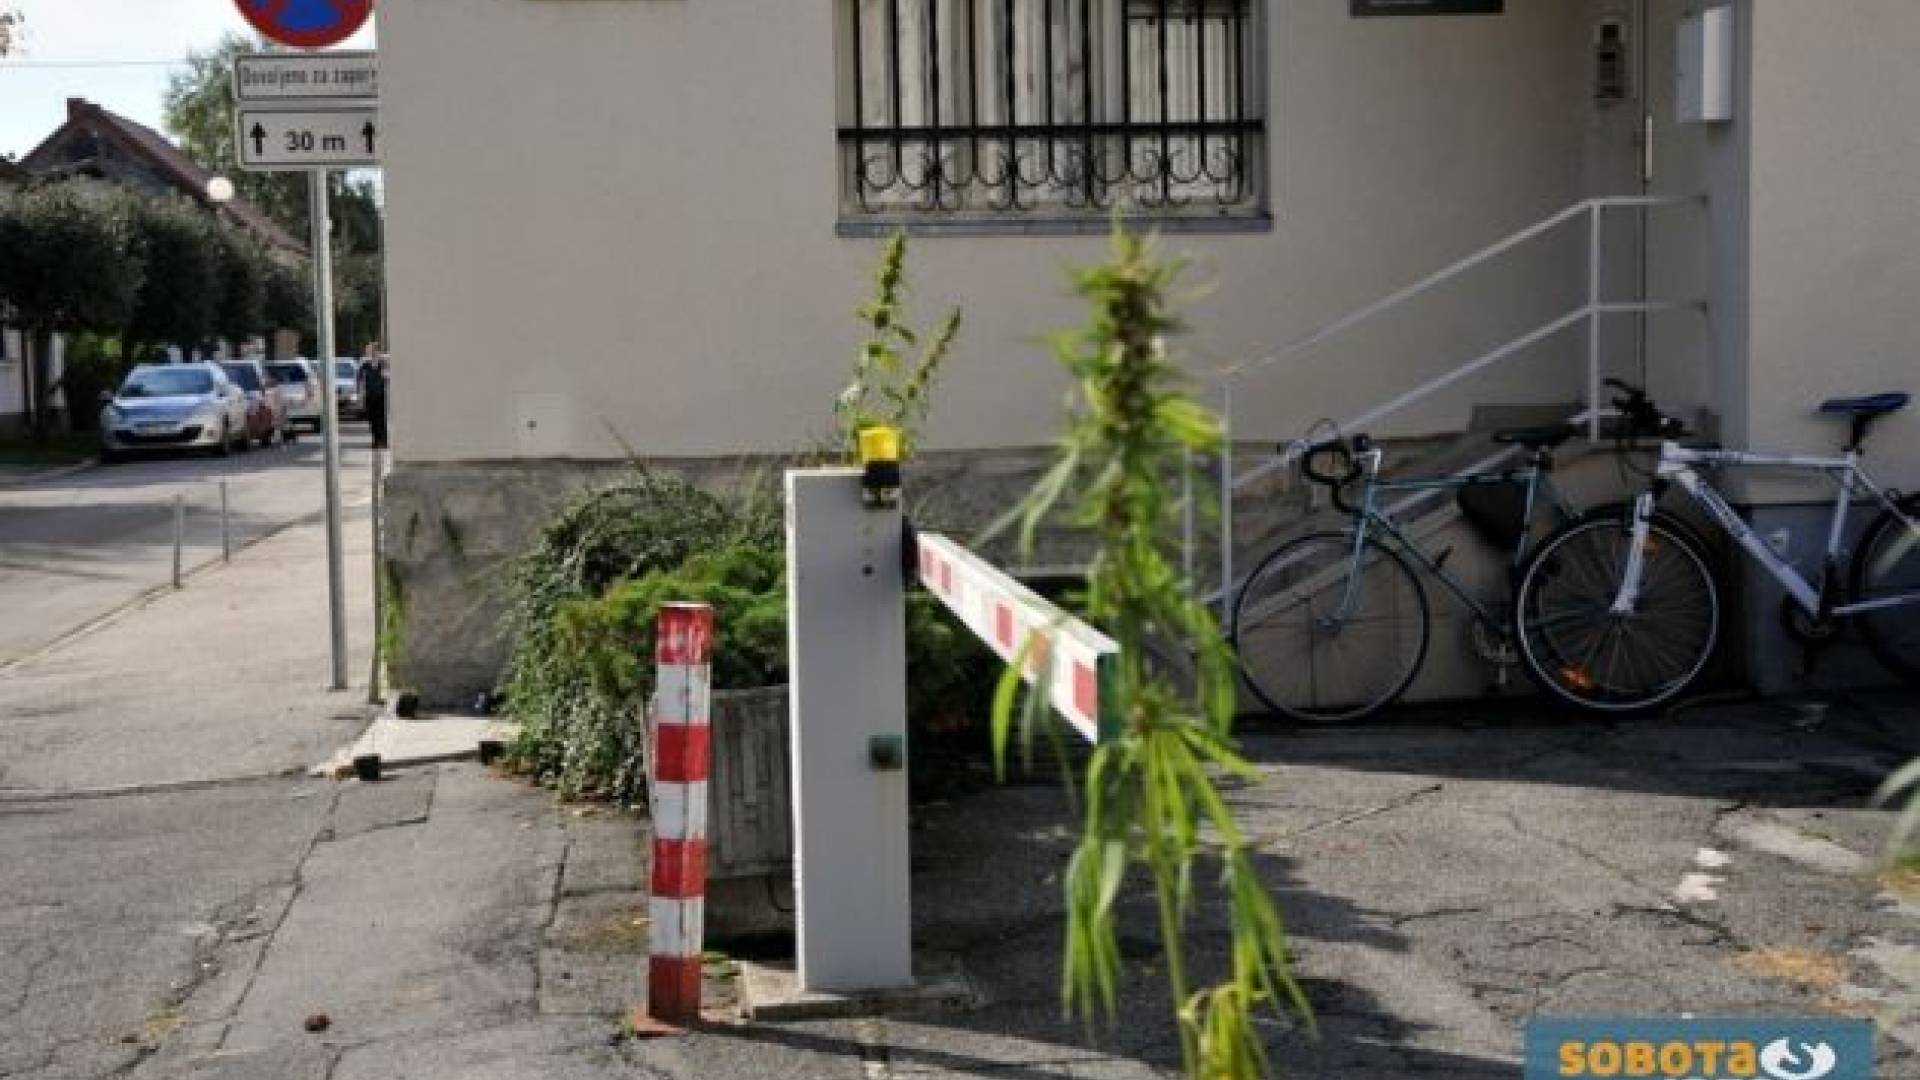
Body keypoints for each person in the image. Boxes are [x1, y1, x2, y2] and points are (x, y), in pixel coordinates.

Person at [358, 346, 390, 450]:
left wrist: (385, 372)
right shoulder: (365, 365)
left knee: (381, 419)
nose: (372, 354)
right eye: (370, 352)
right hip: (369, 395)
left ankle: (384, 441)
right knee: (372, 419)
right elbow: (360, 378)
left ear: (378, 352)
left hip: (381, 395)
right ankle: (376, 440)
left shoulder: (383, 364)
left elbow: (388, 377)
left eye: (373, 351)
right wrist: (360, 393)